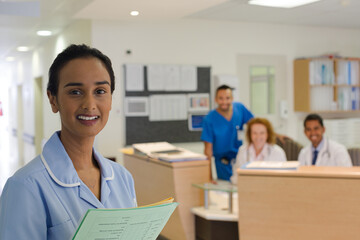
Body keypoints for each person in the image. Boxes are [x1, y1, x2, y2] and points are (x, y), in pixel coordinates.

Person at [0, 44, 137, 239]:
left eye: (100, 91)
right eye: (75, 92)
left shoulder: (123, 178)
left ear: (111, 99)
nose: (89, 105)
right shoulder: (25, 186)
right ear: (53, 100)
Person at [201, 85, 254, 181]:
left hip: (240, 159)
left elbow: (257, 125)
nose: (224, 102)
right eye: (221, 98)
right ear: (215, 100)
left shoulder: (240, 109)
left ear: (232, 98)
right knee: (226, 191)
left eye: (227, 98)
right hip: (223, 163)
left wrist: (274, 134)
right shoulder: (209, 119)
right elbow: (207, 150)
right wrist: (209, 176)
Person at [231, 118, 286, 184]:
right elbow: (236, 176)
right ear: (250, 134)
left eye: (262, 133)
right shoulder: (243, 151)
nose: (258, 136)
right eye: (255, 133)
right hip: (247, 189)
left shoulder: (278, 152)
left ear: (267, 134)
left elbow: (283, 179)